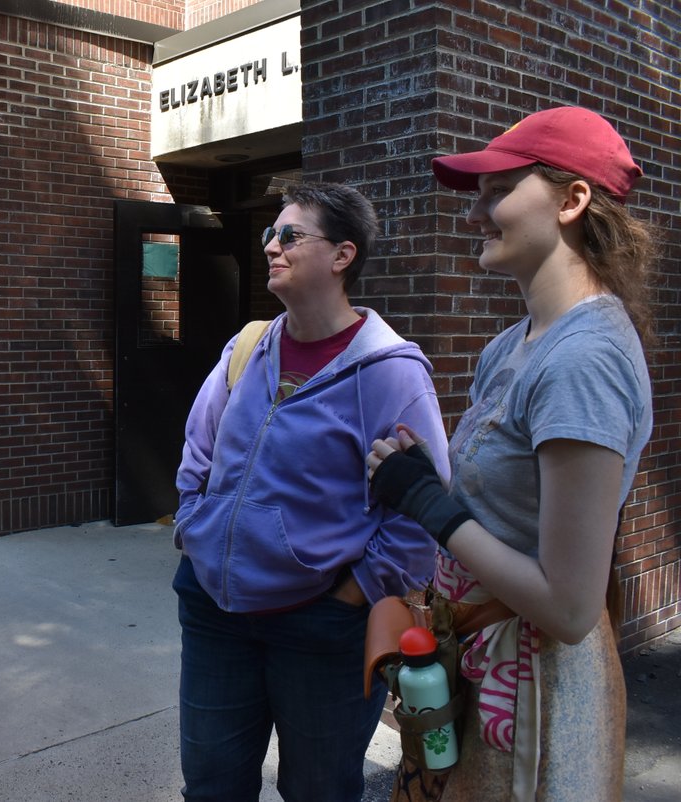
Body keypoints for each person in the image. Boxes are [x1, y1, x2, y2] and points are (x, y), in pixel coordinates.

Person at [367, 106, 653, 800]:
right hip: (484, 669)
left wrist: (428, 504)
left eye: (499, 190)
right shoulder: (512, 344)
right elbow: (503, 508)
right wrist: (421, 478)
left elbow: (568, 605)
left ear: (571, 199)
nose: (477, 213)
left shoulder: (584, 360)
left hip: (538, 694)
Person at [172, 182, 451, 802]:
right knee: (212, 788)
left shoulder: (391, 372)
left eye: (290, 235)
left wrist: (353, 594)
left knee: (319, 791)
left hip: (323, 628)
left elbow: (420, 511)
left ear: (342, 255)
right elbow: (199, 451)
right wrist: (195, 530)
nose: (272, 244)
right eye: (272, 233)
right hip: (215, 613)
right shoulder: (249, 346)